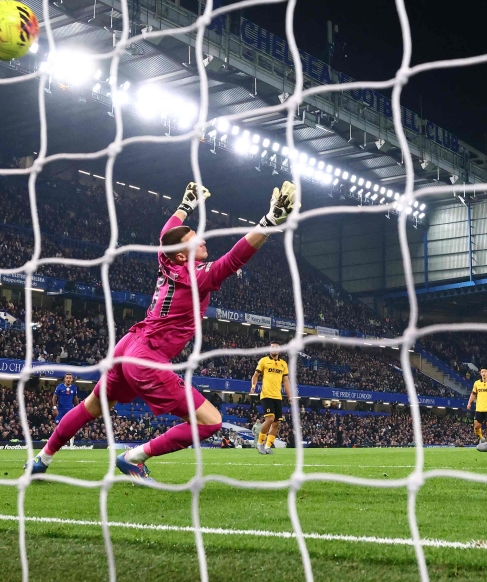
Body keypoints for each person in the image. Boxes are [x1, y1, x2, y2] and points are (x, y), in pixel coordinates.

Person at [27, 180, 296, 478]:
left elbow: (166, 232)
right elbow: (234, 259)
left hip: (128, 345)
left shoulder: (166, 258)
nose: (202, 241)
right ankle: (133, 457)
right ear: (182, 255)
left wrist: (185, 206)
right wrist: (269, 221)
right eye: (194, 240)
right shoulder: (195, 277)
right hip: (146, 358)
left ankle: (42, 458)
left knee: (92, 406)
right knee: (210, 422)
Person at [250, 342, 290, 454]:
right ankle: (260, 443)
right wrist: (253, 386)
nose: (274, 349)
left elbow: (286, 381)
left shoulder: (283, 364)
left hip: (278, 396)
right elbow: (255, 375)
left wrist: (290, 396)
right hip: (266, 395)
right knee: (270, 419)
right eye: (272, 347)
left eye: (276, 348)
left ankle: (268, 446)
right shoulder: (263, 361)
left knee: (276, 423)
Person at [466, 368, 487, 447]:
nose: (483, 373)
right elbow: (473, 394)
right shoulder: (477, 383)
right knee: (476, 426)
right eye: (482, 372)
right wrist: (469, 403)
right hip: (479, 408)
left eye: (485, 371)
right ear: (480, 374)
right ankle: (482, 438)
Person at [54, 374, 80, 447]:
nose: (68, 379)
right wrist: (54, 408)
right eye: (67, 378)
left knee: (71, 427)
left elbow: (75, 399)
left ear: (72, 379)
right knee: (57, 426)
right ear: (64, 379)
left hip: (70, 410)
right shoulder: (60, 387)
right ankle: (56, 443)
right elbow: (54, 397)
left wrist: (78, 409)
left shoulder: (74, 388)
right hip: (60, 410)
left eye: (70, 378)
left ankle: (71, 445)